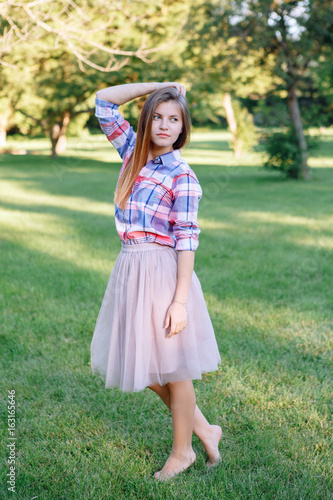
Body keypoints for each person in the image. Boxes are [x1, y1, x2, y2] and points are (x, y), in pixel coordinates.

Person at [90, 82, 222, 481]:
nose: (165, 126)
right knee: (146, 364)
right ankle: (204, 427)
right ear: (148, 121)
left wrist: (179, 302)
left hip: (163, 272)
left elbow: (187, 241)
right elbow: (103, 102)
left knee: (173, 368)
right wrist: (161, 88)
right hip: (130, 267)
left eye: (174, 119)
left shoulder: (181, 175)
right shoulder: (133, 152)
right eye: (158, 117)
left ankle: (182, 453)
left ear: (183, 128)